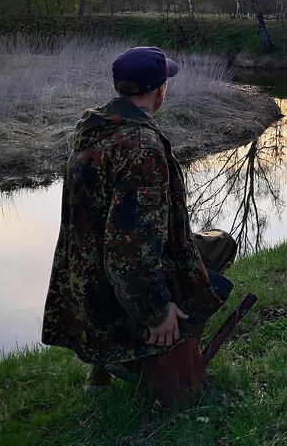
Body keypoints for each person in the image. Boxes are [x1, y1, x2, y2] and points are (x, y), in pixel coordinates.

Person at [42, 46, 236, 396]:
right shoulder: (142, 148)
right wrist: (157, 312)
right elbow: (130, 253)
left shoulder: (93, 129)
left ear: (120, 88)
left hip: (87, 287)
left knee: (210, 244)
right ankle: (156, 359)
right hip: (119, 291)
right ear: (159, 90)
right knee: (222, 244)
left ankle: (99, 371)